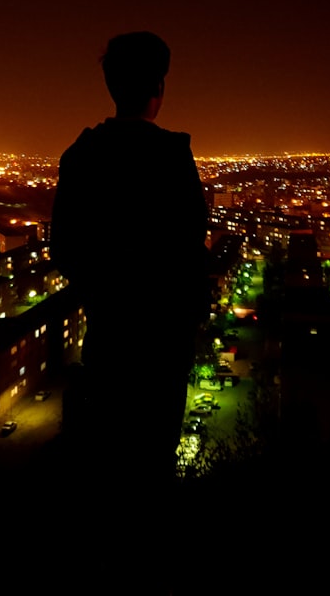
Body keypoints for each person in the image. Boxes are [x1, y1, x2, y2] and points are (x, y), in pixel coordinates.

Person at [50, 31, 211, 492]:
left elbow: (64, 248)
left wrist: (105, 286)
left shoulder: (82, 156)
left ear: (112, 86)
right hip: (162, 345)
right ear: (158, 89)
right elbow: (189, 242)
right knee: (151, 464)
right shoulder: (171, 155)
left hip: (109, 338)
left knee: (106, 467)